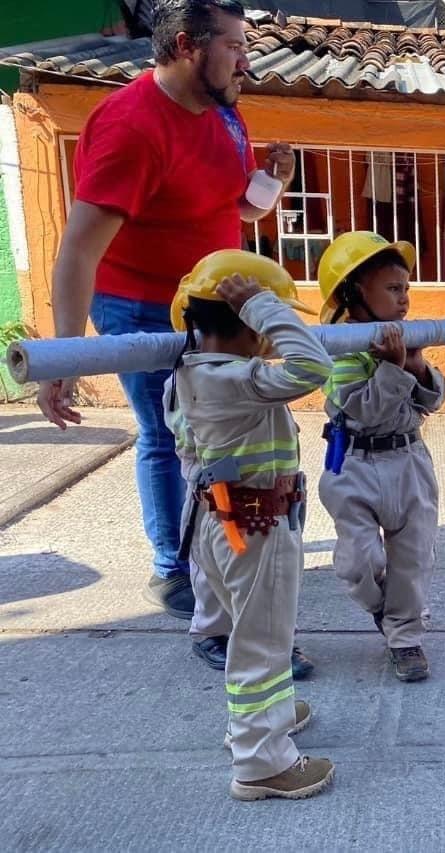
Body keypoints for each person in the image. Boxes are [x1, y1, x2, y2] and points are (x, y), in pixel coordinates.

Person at [35, 0, 296, 620]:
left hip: (212, 306)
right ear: (186, 46)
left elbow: (240, 212)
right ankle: (173, 567)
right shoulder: (130, 126)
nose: (246, 61)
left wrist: (272, 182)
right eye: (233, 46)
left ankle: (221, 544)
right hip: (142, 305)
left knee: (221, 433)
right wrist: (65, 353)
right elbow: (78, 249)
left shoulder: (226, 114)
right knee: (171, 434)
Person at [164, 250, 334, 801]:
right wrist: (264, 306)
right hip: (255, 527)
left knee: (252, 634)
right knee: (262, 643)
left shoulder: (187, 375)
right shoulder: (239, 379)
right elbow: (314, 366)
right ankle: (262, 764)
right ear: (249, 323)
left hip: (223, 523)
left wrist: (257, 309)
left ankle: (261, 718)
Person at [315, 232, 445, 683]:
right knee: (358, 562)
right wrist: (394, 369)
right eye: (393, 289)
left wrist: (417, 367)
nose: (405, 299)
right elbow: (366, 409)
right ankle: (385, 608)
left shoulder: (403, 342)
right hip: (353, 465)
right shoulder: (338, 348)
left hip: (408, 461)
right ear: (355, 291)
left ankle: (405, 637)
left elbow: (434, 399)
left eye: (406, 288)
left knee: (413, 558)